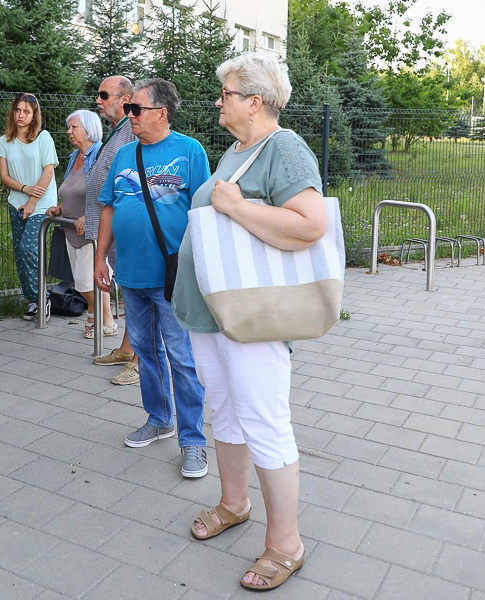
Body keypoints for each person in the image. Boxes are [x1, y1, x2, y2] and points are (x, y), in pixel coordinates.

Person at [173, 52, 327, 591]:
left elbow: (311, 223)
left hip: (252, 315)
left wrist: (236, 208)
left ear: (254, 102)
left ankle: (286, 542)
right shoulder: (237, 151)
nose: (219, 101)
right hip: (211, 313)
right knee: (225, 411)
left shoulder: (283, 147)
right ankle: (234, 503)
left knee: (264, 420)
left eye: (227, 93)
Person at [95, 78, 210, 478]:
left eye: (136, 109)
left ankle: (193, 441)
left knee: (181, 357)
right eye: (128, 109)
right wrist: (99, 261)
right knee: (145, 352)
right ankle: (159, 418)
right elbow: (108, 209)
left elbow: (203, 212)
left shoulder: (189, 151)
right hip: (130, 273)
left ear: (161, 113)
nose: (130, 116)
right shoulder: (126, 153)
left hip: (173, 276)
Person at [84, 76, 141, 385]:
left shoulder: (132, 132)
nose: (98, 100)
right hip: (114, 228)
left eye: (104, 94)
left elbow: (131, 184)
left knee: (136, 294)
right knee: (130, 294)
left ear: (125, 98)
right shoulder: (118, 131)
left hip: (125, 228)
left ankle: (138, 360)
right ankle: (126, 349)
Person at [46, 109, 117, 339]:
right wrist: (60, 207)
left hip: (94, 229)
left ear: (89, 130)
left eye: (74, 127)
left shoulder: (100, 157)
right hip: (71, 228)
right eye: (69, 127)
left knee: (87, 282)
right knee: (83, 281)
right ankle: (102, 318)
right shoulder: (74, 157)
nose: (69, 132)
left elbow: (108, 192)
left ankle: (100, 316)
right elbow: (71, 190)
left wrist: (91, 215)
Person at [0, 93, 59, 321]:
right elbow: (4, 177)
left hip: (42, 204)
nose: (21, 115)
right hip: (16, 202)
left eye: (27, 112)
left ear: (34, 116)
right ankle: (34, 300)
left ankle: (42, 297)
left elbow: (48, 171)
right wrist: (25, 190)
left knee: (28, 249)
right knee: (19, 254)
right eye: (18, 110)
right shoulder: (4, 141)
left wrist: (32, 202)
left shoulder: (43, 138)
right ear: (13, 112)